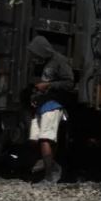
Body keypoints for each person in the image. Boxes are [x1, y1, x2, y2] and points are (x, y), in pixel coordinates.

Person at [27, 35, 74, 184]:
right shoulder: (43, 63)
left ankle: (49, 177)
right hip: (42, 105)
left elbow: (69, 83)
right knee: (34, 139)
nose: (34, 57)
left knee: (45, 139)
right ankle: (51, 164)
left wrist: (48, 86)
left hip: (53, 105)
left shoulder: (59, 60)